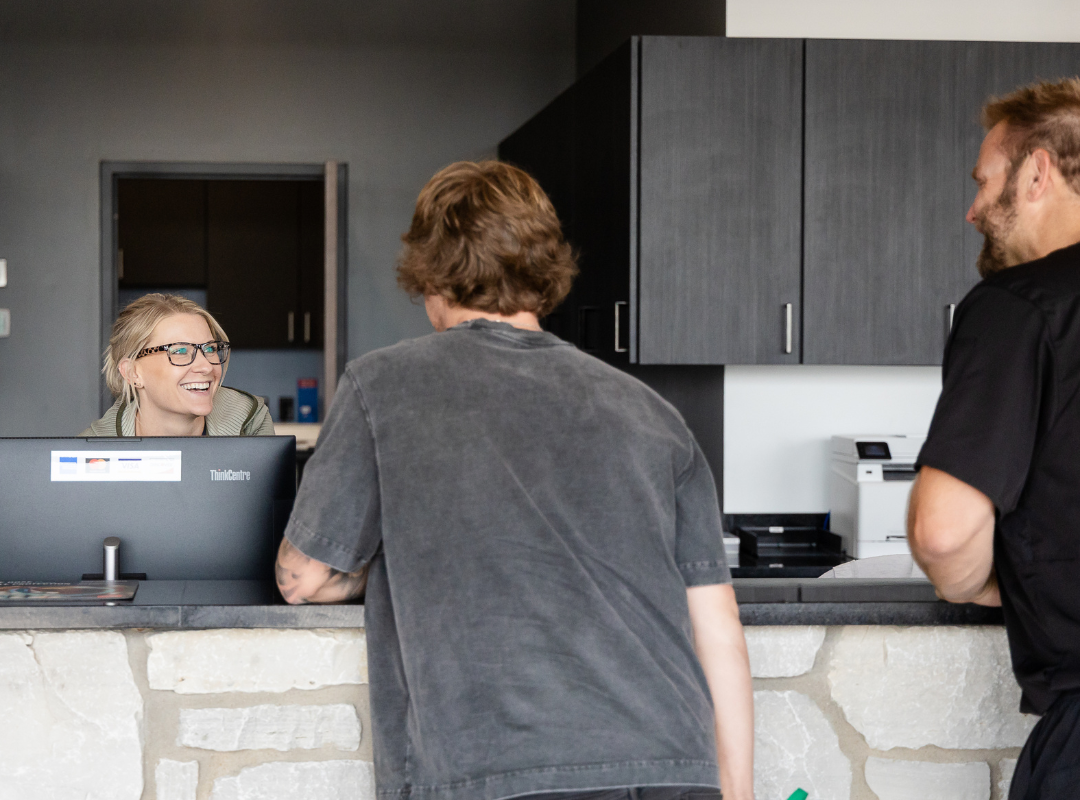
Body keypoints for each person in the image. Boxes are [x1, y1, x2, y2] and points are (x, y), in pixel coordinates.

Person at [275, 161, 754, 800]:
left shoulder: (381, 387)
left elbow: (304, 576)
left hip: (495, 765)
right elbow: (716, 618)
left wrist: (385, 559)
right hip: (670, 761)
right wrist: (738, 790)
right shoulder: (650, 411)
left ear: (428, 273)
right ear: (543, 267)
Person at [907, 77, 1080, 800]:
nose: (973, 210)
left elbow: (944, 537)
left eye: (984, 182)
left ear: (1037, 171)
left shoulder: (1018, 306)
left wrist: (982, 582)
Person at [83, 293, 274, 437]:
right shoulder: (91, 450)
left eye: (210, 349)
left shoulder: (250, 420)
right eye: (180, 351)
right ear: (133, 373)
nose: (206, 366)